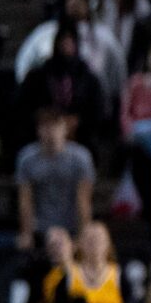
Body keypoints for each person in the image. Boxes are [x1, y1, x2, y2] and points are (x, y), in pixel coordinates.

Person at [14, 107, 95, 250]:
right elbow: (25, 200)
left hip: (71, 227)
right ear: (38, 130)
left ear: (65, 128)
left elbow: (83, 201)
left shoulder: (81, 158)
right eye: (45, 127)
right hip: (41, 228)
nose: (51, 132)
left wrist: (82, 235)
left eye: (56, 126)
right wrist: (26, 233)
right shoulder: (26, 158)